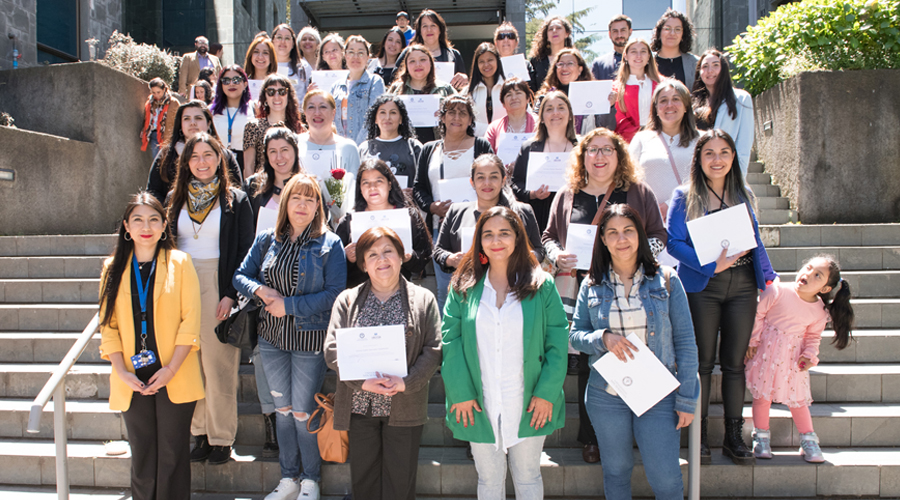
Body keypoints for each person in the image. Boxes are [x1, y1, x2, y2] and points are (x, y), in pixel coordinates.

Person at [543, 128, 668, 463]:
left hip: (629, 286)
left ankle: (640, 429)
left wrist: (636, 256)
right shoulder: (568, 194)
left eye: (606, 150)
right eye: (592, 150)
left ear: (619, 154)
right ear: (582, 157)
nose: (599, 157)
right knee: (591, 361)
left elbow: (658, 235)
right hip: (585, 288)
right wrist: (557, 256)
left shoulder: (638, 191)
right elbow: (548, 237)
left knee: (634, 353)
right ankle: (594, 437)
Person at [570, 203, 699, 500]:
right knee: (616, 471)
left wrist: (687, 398)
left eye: (628, 231)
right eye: (612, 232)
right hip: (607, 395)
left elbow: (686, 342)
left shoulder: (667, 279)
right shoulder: (591, 284)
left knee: (665, 477)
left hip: (658, 394)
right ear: (602, 239)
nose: (621, 239)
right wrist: (603, 338)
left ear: (640, 235)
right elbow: (575, 336)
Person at [666, 129, 778, 465]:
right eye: (710, 153)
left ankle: (733, 436)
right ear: (699, 159)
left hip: (743, 285)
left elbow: (754, 239)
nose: (718, 159)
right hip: (704, 286)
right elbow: (673, 243)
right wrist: (710, 265)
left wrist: (768, 279)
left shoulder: (742, 194)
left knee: (734, 364)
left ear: (733, 157)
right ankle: (696, 435)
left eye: (724, 152)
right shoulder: (684, 195)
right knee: (701, 363)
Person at [441, 205, 568, 499]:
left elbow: (558, 342)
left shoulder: (542, 285)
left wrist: (547, 393)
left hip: (530, 399)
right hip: (478, 400)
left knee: (527, 477)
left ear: (518, 238)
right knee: (488, 479)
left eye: (504, 233)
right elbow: (450, 341)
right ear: (479, 241)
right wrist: (460, 393)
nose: (496, 240)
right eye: (488, 234)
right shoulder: (463, 286)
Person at [233, 173, 347, 500]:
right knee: (281, 411)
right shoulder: (268, 238)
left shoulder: (330, 243)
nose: (302, 205)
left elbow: (335, 293)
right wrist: (259, 289)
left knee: (300, 412)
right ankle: (289, 478)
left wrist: (290, 306)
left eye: (310, 199)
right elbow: (240, 275)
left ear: (318, 207)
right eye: (296, 197)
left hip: (309, 340)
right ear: (285, 203)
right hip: (271, 339)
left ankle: (310, 480)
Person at [98, 192, 203, 500]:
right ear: (126, 228)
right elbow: (109, 327)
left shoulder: (180, 263)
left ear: (163, 226)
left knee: (172, 454)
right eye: (138, 220)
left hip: (175, 372)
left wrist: (170, 369)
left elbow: (190, 321)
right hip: (131, 374)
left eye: (154, 219)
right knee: (142, 454)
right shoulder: (112, 269)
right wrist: (121, 371)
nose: (146, 226)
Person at [325, 226, 440, 500]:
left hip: (404, 405)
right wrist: (361, 382)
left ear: (401, 257)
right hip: (359, 406)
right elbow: (332, 350)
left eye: (389, 251)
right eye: (372, 254)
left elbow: (434, 349)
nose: (382, 259)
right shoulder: (347, 300)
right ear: (363, 264)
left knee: (400, 484)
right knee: (364, 482)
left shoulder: (423, 299)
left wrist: (406, 382)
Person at [164, 133, 254, 465]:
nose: (202, 162)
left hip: (218, 283)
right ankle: (199, 433)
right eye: (194, 156)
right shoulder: (174, 198)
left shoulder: (236, 199)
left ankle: (221, 438)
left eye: (209, 155)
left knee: (218, 367)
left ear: (220, 159)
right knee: (189, 364)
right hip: (180, 284)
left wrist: (231, 294)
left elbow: (245, 251)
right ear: (185, 163)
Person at [746, 255, 854, 463]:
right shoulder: (777, 291)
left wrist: (809, 356)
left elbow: (813, 338)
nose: (808, 274)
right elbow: (758, 315)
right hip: (767, 355)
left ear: (824, 288)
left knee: (798, 400)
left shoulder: (819, 312)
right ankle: (761, 436)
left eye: (817, 276)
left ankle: (808, 439)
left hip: (792, 362)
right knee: (762, 397)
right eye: (808, 268)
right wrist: (752, 341)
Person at [243, 126, 305, 458]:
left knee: (300, 356)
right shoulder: (255, 190)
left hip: (301, 289)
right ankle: (271, 421)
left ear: (295, 152)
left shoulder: (309, 188)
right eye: (272, 152)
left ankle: (297, 422)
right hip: (264, 289)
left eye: (285, 150)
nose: (279, 158)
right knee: (262, 358)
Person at [413, 95, 494, 312]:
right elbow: (419, 187)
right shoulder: (429, 149)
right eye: (451, 112)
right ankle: (447, 344)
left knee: (484, 286)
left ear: (470, 120)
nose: (456, 117)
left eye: (463, 113)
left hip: (480, 227)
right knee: (446, 291)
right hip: (443, 230)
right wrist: (431, 206)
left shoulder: (481, 145)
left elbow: (493, 180)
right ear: (442, 117)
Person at [434, 154, 544, 280]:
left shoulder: (523, 211)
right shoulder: (456, 211)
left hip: (514, 288)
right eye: (481, 177)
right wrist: (451, 259)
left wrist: (529, 256)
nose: (487, 183)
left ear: (503, 180)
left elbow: (539, 250)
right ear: (472, 182)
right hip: (468, 289)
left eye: (493, 177)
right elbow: (439, 251)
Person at [335, 158, 432, 288]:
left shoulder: (408, 216)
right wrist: (346, 258)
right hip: (360, 295)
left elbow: (424, 257)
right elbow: (333, 269)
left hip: (399, 291)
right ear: (360, 188)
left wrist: (409, 257)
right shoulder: (348, 221)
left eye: (378, 181)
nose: (372, 187)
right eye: (366, 183)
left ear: (390, 184)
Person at [628, 79, 699, 221]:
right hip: (650, 219)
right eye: (663, 101)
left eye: (676, 99)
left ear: (686, 106)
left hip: (690, 217)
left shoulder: (701, 140)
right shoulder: (641, 139)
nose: (669, 105)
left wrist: (670, 204)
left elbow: (708, 179)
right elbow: (628, 177)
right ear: (655, 107)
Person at [146, 101, 243, 204]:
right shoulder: (167, 155)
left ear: (209, 123)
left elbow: (237, 191)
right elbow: (153, 192)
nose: (192, 123)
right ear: (180, 124)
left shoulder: (223, 155)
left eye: (198, 118)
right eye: (186, 119)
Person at [510, 90, 577, 234]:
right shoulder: (529, 147)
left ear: (570, 115)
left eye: (561, 107)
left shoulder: (580, 148)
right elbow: (516, 183)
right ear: (541, 117)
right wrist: (532, 194)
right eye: (549, 109)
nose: (555, 113)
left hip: (572, 214)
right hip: (538, 215)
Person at [298, 89, 362, 222]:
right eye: (311, 107)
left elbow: (356, 191)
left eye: (323, 107)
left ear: (333, 113)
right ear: (304, 113)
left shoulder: (348, 147)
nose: (317, 112)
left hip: (338, 223)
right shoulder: (294, 144)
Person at [691, 49, 754, 173]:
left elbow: (744, 145)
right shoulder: (693, 103)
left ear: (724, 70)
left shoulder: (741, 99)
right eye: (705, 66)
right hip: (699, 172)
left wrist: (737, 180)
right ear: (699, 72)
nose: (710, 71)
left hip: (726, 171)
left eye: (715, 65)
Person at [387, 44, 456, 144]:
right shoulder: (395, 90)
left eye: (423, 60)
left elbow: (461, 113)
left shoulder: (445, 89)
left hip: (438, 147)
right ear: (406, 66)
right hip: (403, 147)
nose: (418, 64)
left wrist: (445, 115)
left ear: (431, 63)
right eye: (412, 61)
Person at [243, 73, 304, 178]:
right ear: (265, 97)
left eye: (282, 92)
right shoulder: (253, 126)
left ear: (288, 96)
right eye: (271, 92)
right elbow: (248, 166)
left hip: (292, 185)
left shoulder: (299, 128)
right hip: (263, 186)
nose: (277, 97)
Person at [358, 94, 423, 192]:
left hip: (406, 206)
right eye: (382, 112)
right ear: (375, 119)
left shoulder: (414, 146)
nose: (387, 117)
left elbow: (425, 182)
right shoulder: (364, 148)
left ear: (401, 119)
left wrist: (415, 193)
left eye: (393, 113)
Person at [534, 47, 602, 135]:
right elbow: (535, 125)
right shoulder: (544, 97)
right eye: (560, 64)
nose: (564, 68)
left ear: (580, 70)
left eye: (570, 63)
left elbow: (604, 126)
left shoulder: (592, 96)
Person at [331, 35, 386, 145]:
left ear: (368, 57)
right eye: (351, 52)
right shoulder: (336, 86)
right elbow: (331, 120)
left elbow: (373, 118)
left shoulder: (375, 82)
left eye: (361, 53)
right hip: (339, 147)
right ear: (345, 56)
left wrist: (357, 147)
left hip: (366, 147)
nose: (355, 57)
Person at [396, 10, 469, 90]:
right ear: (419, 31)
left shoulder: (454, 55)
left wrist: (464, 79)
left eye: (433, 25)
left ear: (440, 29)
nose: (429, 29)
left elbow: (463, 88)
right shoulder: (407, 53)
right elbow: (395, 79)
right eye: (424, 26)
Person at [613, 39, 662, 143]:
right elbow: (618, 117)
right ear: (625, 56)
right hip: (628, 142)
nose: (638, 55)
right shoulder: (615, 87)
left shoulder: (662, 84)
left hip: (659, 139)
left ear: (649, 56)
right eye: (633, 51)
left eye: (643, 51)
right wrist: (638, 135)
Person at [590, 15, 633, 130]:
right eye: (615, 31)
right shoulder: (599, 64)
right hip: (609, 126)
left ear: (630, 31)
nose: (619, 35)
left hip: (634, 124)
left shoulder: (643, 61)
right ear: (609, 34)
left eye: (623, 30)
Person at [210, 65, 252, 175]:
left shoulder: (254, 109)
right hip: (218, 162)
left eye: (236, 80)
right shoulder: (211, 111)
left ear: (245, 84)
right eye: (226, 80)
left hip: (246, 163)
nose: (231, 84)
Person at [483, 78, 537, 155]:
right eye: (509, 95)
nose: (514, 98)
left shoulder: (539, 124)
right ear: (503, 103)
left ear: (528, 98)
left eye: (518, 93)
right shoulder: (494, 128)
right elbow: (486, 157)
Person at [651, 9, 699, 89]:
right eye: (667, 29)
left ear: (683, 35)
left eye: (677, 29)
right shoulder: (648, 63)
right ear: (659, 33)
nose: (672, 33)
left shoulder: (695, 63)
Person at [468, 42, 506, 137]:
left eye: (490, 60)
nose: (486, 65)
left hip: (505, 141)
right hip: (477, 142)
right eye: (481, 61)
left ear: (497, 61)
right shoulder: (468, 92)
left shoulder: (509, 88)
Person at [528, 16, 574, 93]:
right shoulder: (537, 60)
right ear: (547, 37)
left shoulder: (575, 59)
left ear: (567, 33)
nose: (554, 31)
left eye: (558, 28)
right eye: (550, 29)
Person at [141, 78, 179, 160]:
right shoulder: (150, 102)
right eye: (153, 92)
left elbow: (179, 119)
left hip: (167, 137)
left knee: (166, 161)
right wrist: (144, 130)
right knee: (157, 161)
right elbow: (147, 118)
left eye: (158, 92)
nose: (156, 95)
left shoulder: (173, 103)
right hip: (154, 135)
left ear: (164, 89)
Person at [271, 24, 312, 99]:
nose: (283, 41)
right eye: (279, 37)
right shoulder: (265, 65)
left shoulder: (304, 66)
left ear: (293, 43)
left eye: (287, 38)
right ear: (273, 41)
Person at [493, 22, 537, 88]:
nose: (506, 40)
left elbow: (532, 89)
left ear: (516, 43)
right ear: (496, 43)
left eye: (510, 36)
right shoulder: (491, 66)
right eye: (501, 37)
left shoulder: (526, 65)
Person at [244, 35, 279, 103]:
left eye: (265, 53)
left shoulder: (278, 84)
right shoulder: (242, 83)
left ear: (271, 58)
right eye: (256, 52)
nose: (260, 56)